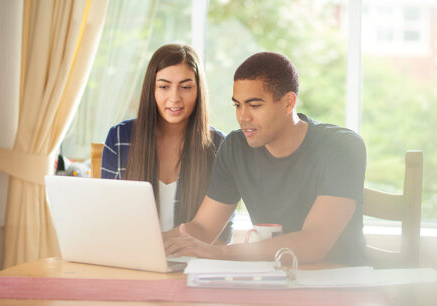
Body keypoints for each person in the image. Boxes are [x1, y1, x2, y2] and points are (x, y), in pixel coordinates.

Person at [164, 51, 367, 266]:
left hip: (338, 283)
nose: (243, 117)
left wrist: (219, 253)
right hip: (274, 280)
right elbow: (203, 229)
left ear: (288, 103)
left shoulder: (342, 147)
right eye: (238, 105)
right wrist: (147, 243)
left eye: (255, 105)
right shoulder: (236, 147)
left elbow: (313, 243)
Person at [101, 44, 231, 242]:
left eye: (186, 87)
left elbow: (222, 234)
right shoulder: (120, 138)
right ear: (151, 89)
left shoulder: (218, 145)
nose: (174, 98)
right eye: (164, 86)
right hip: (134, 261)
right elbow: (107, 218)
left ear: (199, 91)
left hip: (194, 265)